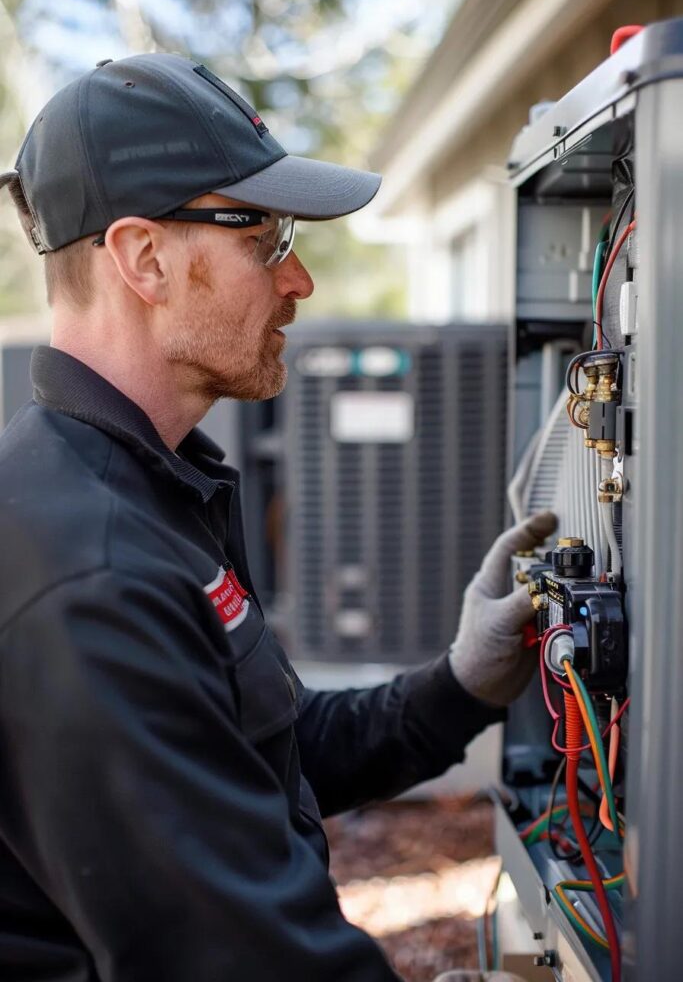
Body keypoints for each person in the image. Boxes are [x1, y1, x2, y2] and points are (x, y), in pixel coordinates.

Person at [0, 53, 556, 981]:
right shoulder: (89, 573)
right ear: (144, 259)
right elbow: (240, 959)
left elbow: (265, 757)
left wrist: (459, 684)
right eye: (264, 239)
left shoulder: (151, 490)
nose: (297, 281)